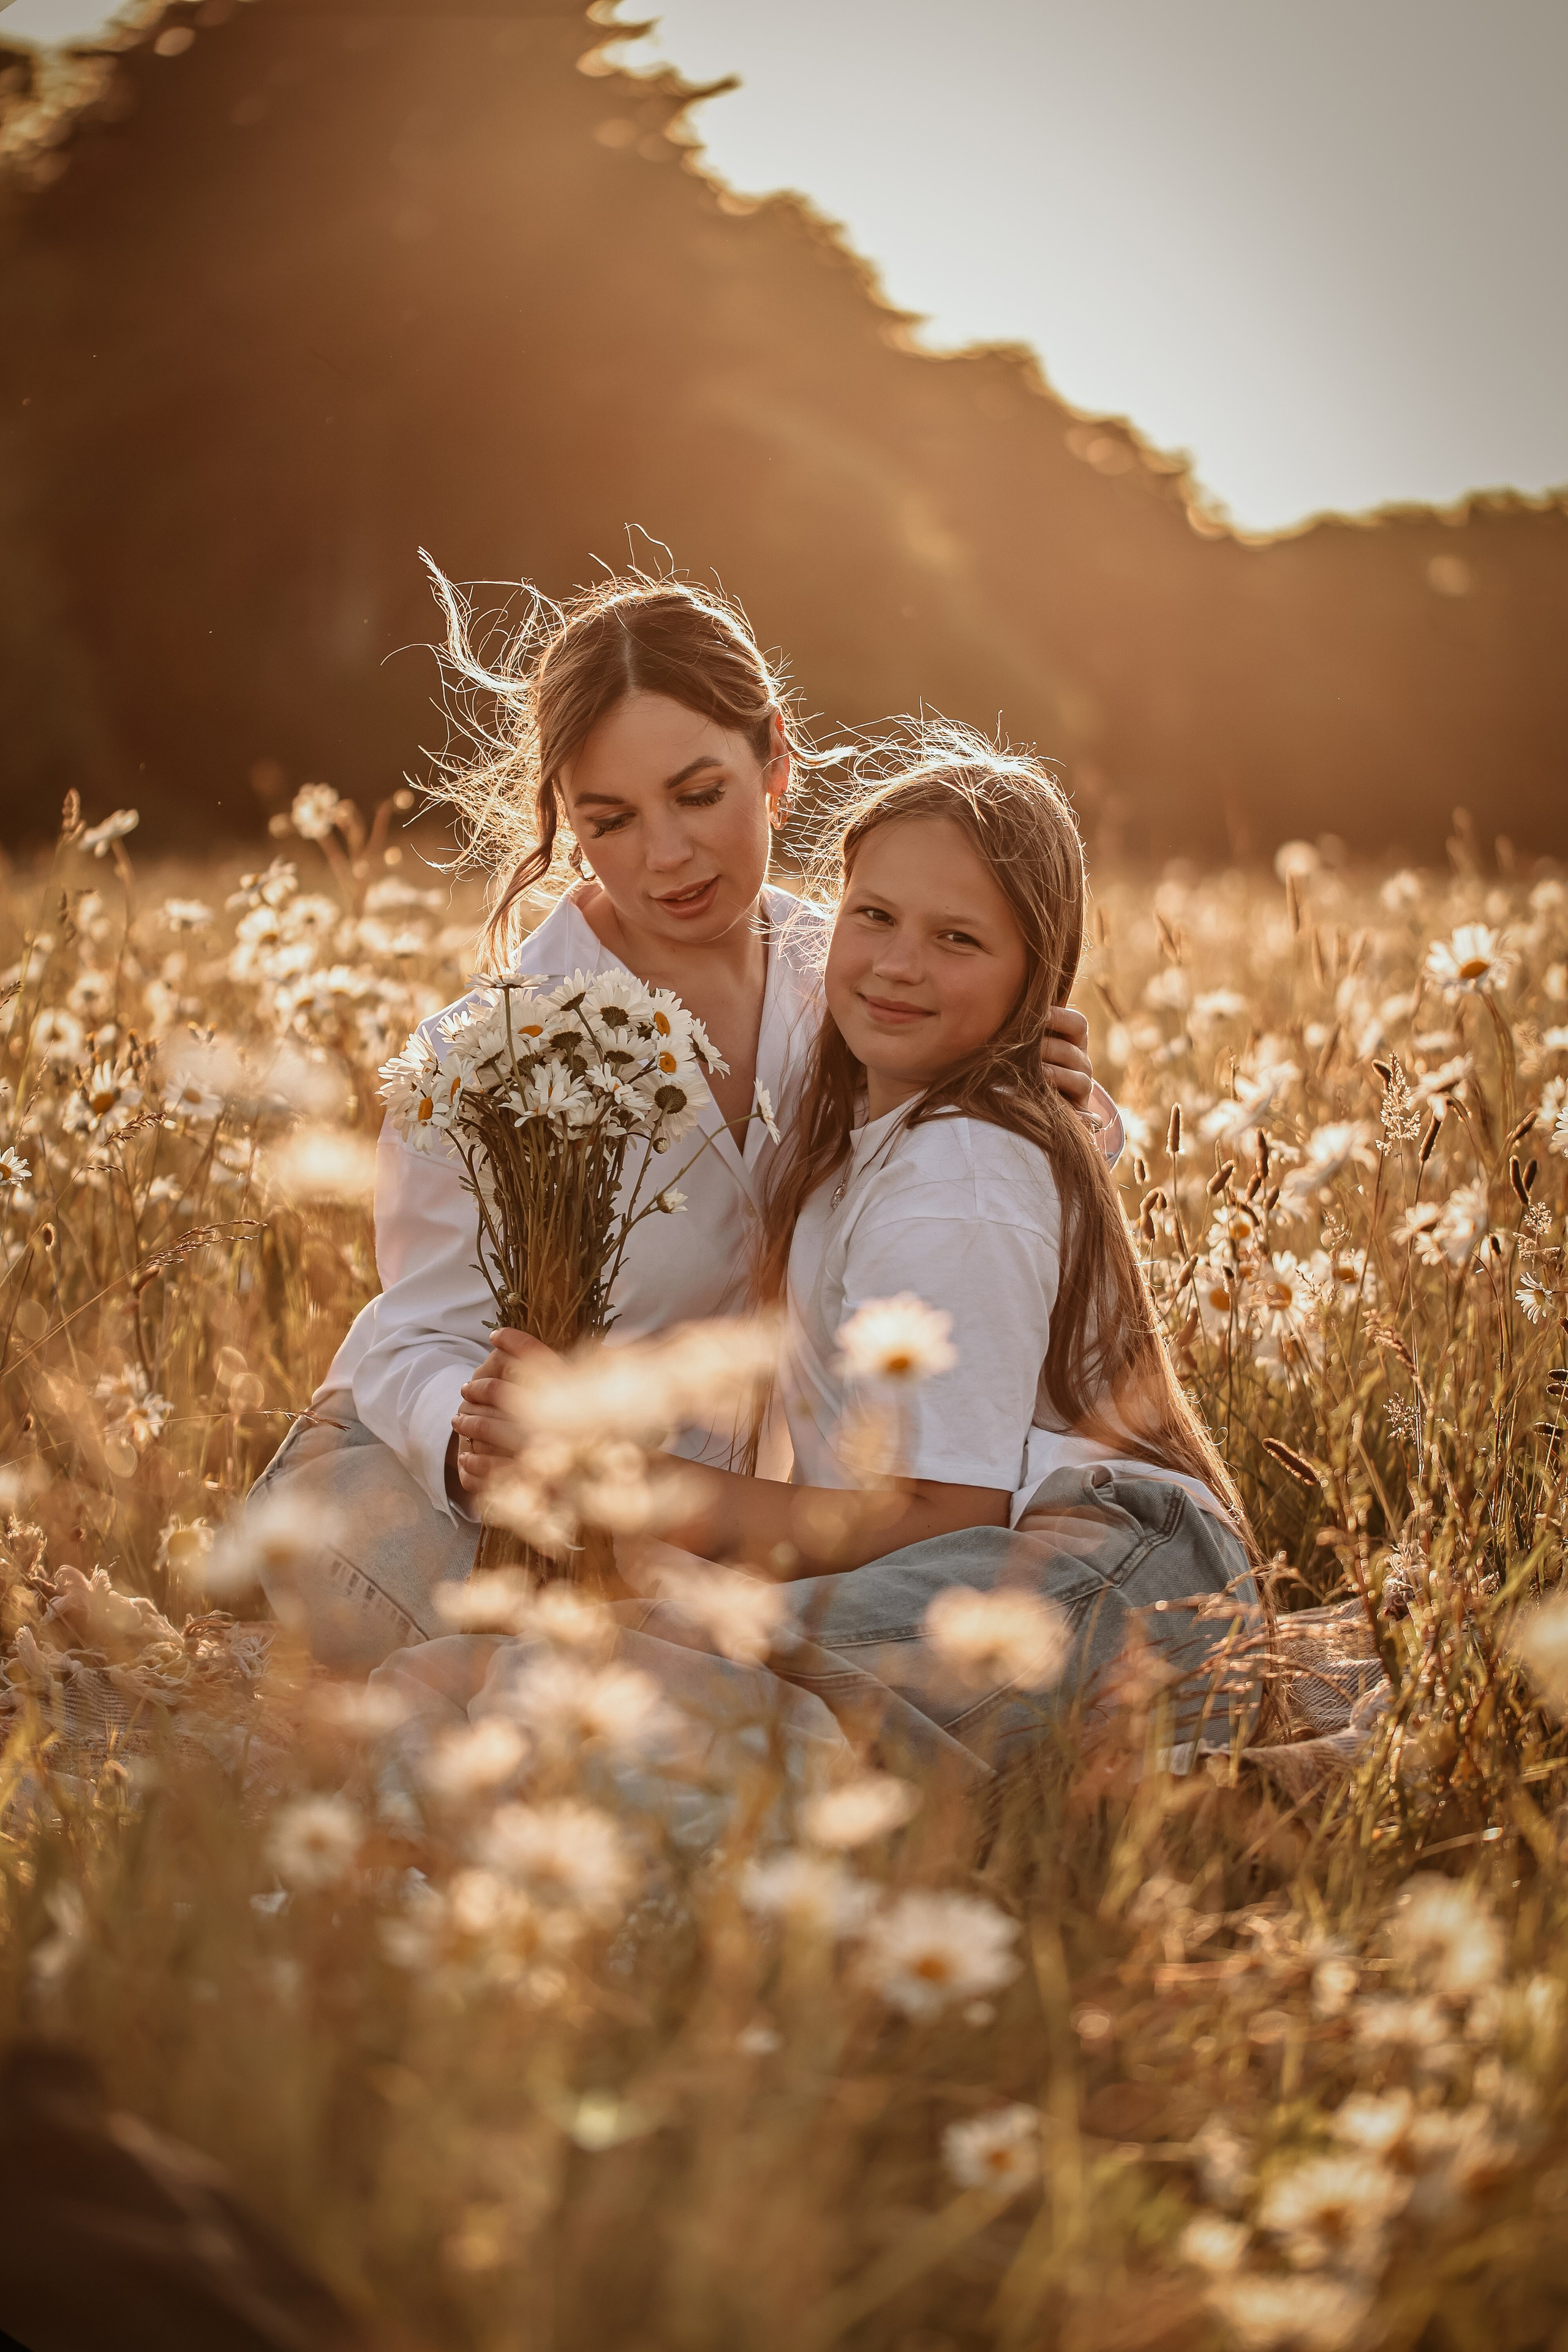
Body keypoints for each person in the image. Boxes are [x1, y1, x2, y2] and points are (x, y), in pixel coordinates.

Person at [254, 569, 1116, 1670]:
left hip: (704, 1526)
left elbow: (970, 1191)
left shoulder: (863, 972)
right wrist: (469, 1450)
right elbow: (416, 1337)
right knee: (502, 1688)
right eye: (609, 819)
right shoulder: (492, 1051)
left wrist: (1046, 1096)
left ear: (778, 763)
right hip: (426, 1492)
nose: (666, 856)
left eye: (699, 795)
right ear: (566, 823)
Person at [383, 737, 1260, 1790]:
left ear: (1039, 976)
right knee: (599, 1673)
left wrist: (626, 1480)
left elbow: (948, 1513)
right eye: (875, 917)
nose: (898, 964)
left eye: (959, 939)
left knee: (619, 1697)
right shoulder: (862, 1116)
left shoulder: (960, 1172)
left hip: (1111, 1579)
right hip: (974, 1561)